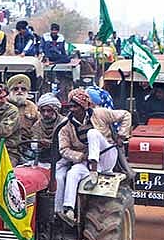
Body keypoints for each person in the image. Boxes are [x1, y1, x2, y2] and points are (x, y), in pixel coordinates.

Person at [55, 89, 132, 224]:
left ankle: (94, 170)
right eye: (70, 107)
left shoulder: (100, 113)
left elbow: (126, 115)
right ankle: (68, 210)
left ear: (84, 106)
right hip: (85, 161)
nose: (72, 110)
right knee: (72, 173)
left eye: (76, 106)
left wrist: (121, 135)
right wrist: (80, 156)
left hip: (106, 155)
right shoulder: (66, 126)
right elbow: (64, 150)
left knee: (92, 133)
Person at [7, 74, 40, 143]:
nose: (19, 91)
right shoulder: (3, 104)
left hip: (26, 144)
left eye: (23, 89)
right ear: (9, 91)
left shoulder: (32, 106)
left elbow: (39, 125)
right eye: (15, 89)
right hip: (6, 144)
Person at [36, 93, 65, 168]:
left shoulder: (64, 123)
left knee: (59, 177)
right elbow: (32, 143)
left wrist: (52, 144)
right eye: (43, 111)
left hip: (61, 160)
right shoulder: (37, 125)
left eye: (49, 111)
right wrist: (39, 144)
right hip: (42, 160)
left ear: (55, 110)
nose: (45, 114)